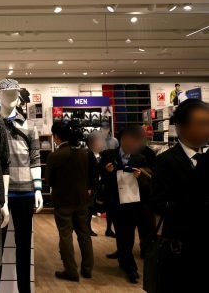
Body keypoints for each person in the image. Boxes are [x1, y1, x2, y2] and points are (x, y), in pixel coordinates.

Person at [149, 99, 209, 293]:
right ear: (182, 127)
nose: (207, 129)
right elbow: (158, 203)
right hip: (181, 252)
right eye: (202, 123)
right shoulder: (166, 161)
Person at [100, 125, 152, 284]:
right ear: (121, 139)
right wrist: (107, 172)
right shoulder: (108, 155)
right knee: (123, 235)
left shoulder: (140, 158)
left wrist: (140, 175)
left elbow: (147, 180)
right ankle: (129, 266)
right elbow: (101, 177)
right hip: (116, 203)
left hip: (134, 203)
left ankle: (127, 264)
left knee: (128, 236)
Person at [46, 121, 94, 282]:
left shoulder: (54, 156)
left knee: (65, 236)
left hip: (63, 201)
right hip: (82, 200)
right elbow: (89, 175)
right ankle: (87, 269)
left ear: (56, 137)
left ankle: (71, 271)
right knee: (84, 234)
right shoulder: (84, 153)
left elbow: (49, 180)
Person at [86, 132, 104, 236]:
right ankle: (87, 228)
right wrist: (88, 187)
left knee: (91, 207)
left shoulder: (97, 154)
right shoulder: (89, 154)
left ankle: (87, 228)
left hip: (95, 185)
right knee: (89, 208)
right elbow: (87, 172)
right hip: (91, 185)